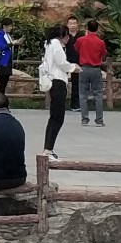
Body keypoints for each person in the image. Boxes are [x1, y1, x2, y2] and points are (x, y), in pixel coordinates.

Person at [37, 25, 73, 153]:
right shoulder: (56, 44)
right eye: (66, 35)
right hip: (58, 81)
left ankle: (48, 149)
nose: (68, 38)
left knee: (55, 117)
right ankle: (48, 149)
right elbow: (62, 62)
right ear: (61, 36)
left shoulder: (49, 44)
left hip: (54, 81)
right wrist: (73, 68)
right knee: (57, 117)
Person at [74, 20, 109, 127]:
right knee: (98, 94)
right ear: (97, 29)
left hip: (83, 68)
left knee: (83, 94)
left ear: (86, 28)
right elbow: (103, 54)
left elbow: (76, 48)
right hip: (96, 68)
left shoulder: (81, 40)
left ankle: (84, 119)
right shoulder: (100, 42)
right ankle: (99, 119)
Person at [0, 23, 17, 99]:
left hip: (8, 59)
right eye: (9, 26)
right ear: (4, 26)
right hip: (3, 60)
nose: (11, 27)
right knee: (3, 81)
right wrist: (11, 43)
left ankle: (1, 98)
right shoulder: (0, 35)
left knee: (5, 81)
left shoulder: (7, 35)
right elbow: (1, 46)